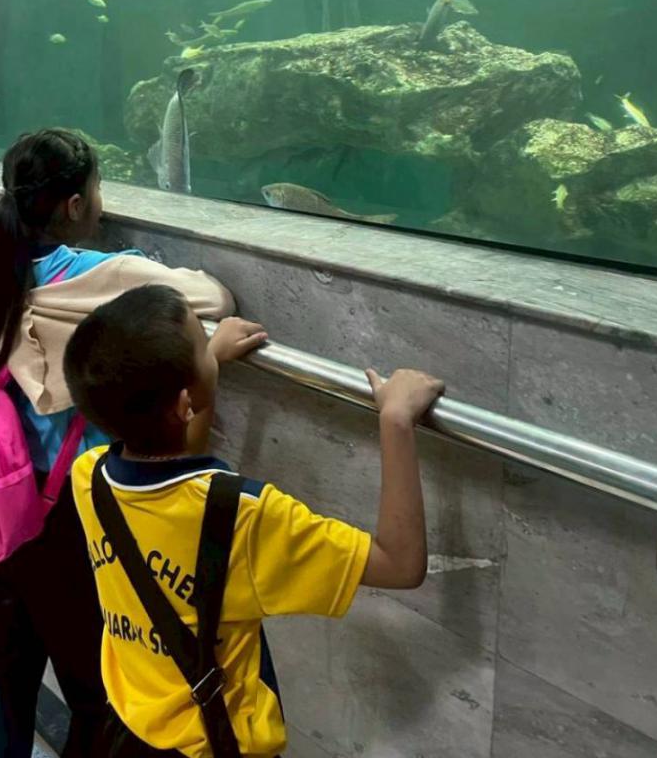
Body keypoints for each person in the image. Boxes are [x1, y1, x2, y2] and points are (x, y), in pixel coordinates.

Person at [0, 128, 252, 758]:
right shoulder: (104, 276)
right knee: (94, 689)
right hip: (67, 513)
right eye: (98, 190)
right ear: (76, 204)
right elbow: (212, 296)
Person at [63, 284, 445, 758]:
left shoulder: (89, 479)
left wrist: (206, 368)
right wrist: (395, 421)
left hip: (131, 730)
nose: (210, 347)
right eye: (202, 343)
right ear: (182, 403)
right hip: (218, 746)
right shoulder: (245, 517)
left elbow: (175, 474)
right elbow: (400, 564)